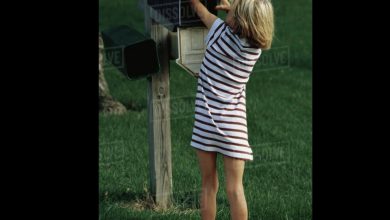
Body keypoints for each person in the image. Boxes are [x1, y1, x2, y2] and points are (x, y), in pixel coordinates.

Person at [189, 0, 274, 219]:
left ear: (237, 20)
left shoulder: (218, 32)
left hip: (205, 122)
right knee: (235, 189)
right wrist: (234, 12)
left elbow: (200, 11)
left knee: (208, 185)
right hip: (233, 128)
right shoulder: (255, 50)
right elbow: (247, 26)